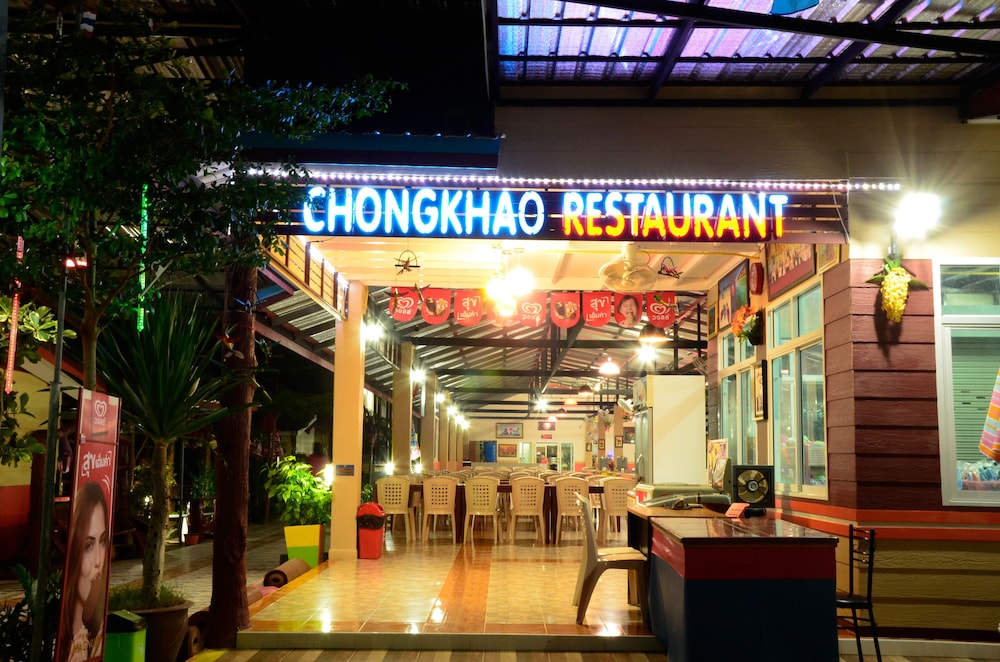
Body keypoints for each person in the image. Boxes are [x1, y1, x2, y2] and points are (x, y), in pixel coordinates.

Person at [58, 481, 110, 662]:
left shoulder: (99, 635)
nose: (98, 561)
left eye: (102, 541)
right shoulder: (55, 632)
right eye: (88, 545)